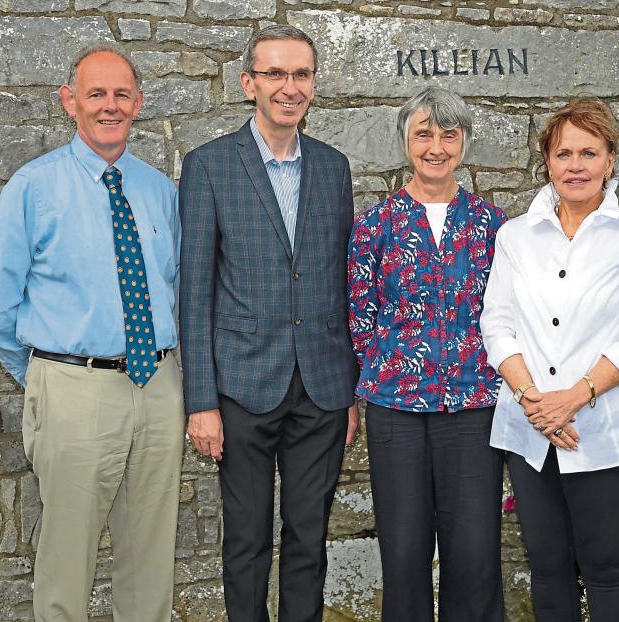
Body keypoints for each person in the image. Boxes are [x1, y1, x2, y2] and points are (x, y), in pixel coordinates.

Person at [0, 44, 184, 622]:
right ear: (70, 102)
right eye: (96, 94)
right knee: (66, 558)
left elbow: (177, 289)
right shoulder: (33, 188)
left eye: (121, 94)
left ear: (138, 103)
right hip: (73, 388)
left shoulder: (159, 192)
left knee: (150, 556)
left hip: (159, 383)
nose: (109, 106)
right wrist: (48, 376)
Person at [178, 25, 360, 622]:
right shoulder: (208, 167)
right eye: (276, 74)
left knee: (309, 541)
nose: (290, 87)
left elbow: (341, 283)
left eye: (301, 74)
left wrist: (352, 389)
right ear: (248, 83)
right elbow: (195, 290)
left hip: (322, 390)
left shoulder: (334, 168)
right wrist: (200, 401)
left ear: (313, 84)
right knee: (248, 543)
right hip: (242, 389)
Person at [480, 98, 619, 621]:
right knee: (547, 566)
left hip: (602, 430)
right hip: (530, 429)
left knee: (605, 568)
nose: (576, 165)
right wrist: (533, 400)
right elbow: (496, 325)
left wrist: (573, 399)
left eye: (590, 152)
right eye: (564, 152)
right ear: (547, 160)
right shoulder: (515, 237)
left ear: (611, 161)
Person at [347, 85, 506, 621]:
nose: (436, 146)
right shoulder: (375, 225)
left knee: (475, 552)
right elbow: (361, 317)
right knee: (404, 551)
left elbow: (507, 314)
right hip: (396, 411)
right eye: (424, 133)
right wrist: (385, 369)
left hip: (473, 406)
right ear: (405, 142)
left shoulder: (494, 227)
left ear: (464, 142)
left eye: (449, 134)